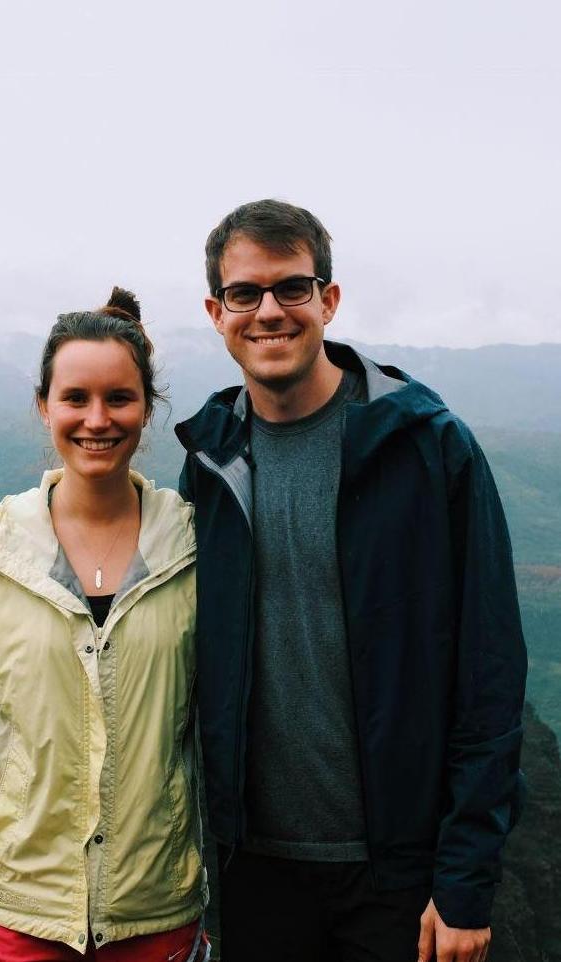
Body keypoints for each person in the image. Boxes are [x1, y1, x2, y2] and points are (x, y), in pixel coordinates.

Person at [176, 199, 526, 962]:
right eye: (245, 293)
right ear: (217, 311)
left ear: (328, 300)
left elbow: (490, 673)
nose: (269, 311)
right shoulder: (210, 461)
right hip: (255, 868)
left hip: (395, 875)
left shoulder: (427, 447)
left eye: (291, 288)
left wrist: (464, 879)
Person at [0, 288, 209, 962]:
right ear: (44, 405)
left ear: (147, 409)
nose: (97, 419)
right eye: (75, 398)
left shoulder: (191, 546)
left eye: (119, 399)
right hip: (19, 907)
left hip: (154, 906)